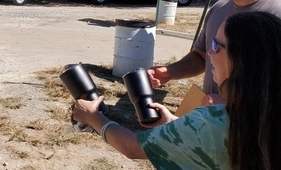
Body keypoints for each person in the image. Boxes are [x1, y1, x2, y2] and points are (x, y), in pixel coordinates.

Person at [73, 11, 281, 169]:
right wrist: (174, 124)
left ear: (241, 61)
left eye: (216, 46)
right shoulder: (259, 115)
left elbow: (132, 147)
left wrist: (92, 118)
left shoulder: (212, 122)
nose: (208, 52)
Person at [148, 0, 281, 104]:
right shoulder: (218, 10)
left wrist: (230, 101)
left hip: (253, 130)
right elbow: (202, 56)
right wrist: (170, 71)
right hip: (213, 126)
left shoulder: (277, 15)